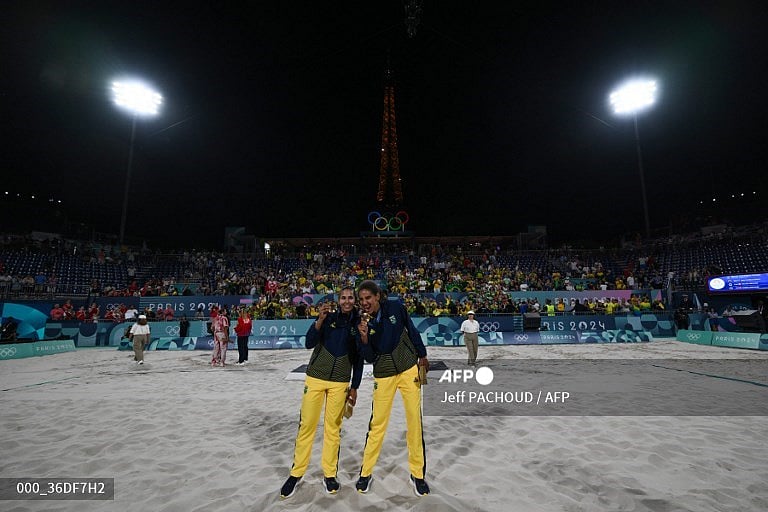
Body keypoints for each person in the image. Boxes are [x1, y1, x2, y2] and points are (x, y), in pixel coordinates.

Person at [280, 287, 363, 498]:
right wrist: (319, 320)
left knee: (333, 429)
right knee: (306, 426)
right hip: (315, 378)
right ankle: (296, 473)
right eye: (343, 297)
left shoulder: (358, 323)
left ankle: (329, 475)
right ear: (338, 300)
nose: (346, 301)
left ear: (354, 300)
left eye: (350, 297)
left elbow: (359, 359)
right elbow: (308, 343)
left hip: (340, 383)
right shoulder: (327, 318)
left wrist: (355, 386)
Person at [354, 280, 431, 497]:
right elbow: (368, 357)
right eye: (361, 299)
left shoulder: (396, 306)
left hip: (408, 369)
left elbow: (412, 330)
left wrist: (422, 355)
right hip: (384, 374)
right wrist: (364, 337)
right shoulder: (361, 322)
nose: (365, 302)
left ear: (378, 296)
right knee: (377, 425)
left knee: (414, 422)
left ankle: (418, 475)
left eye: (368, 297)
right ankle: (365, 472)